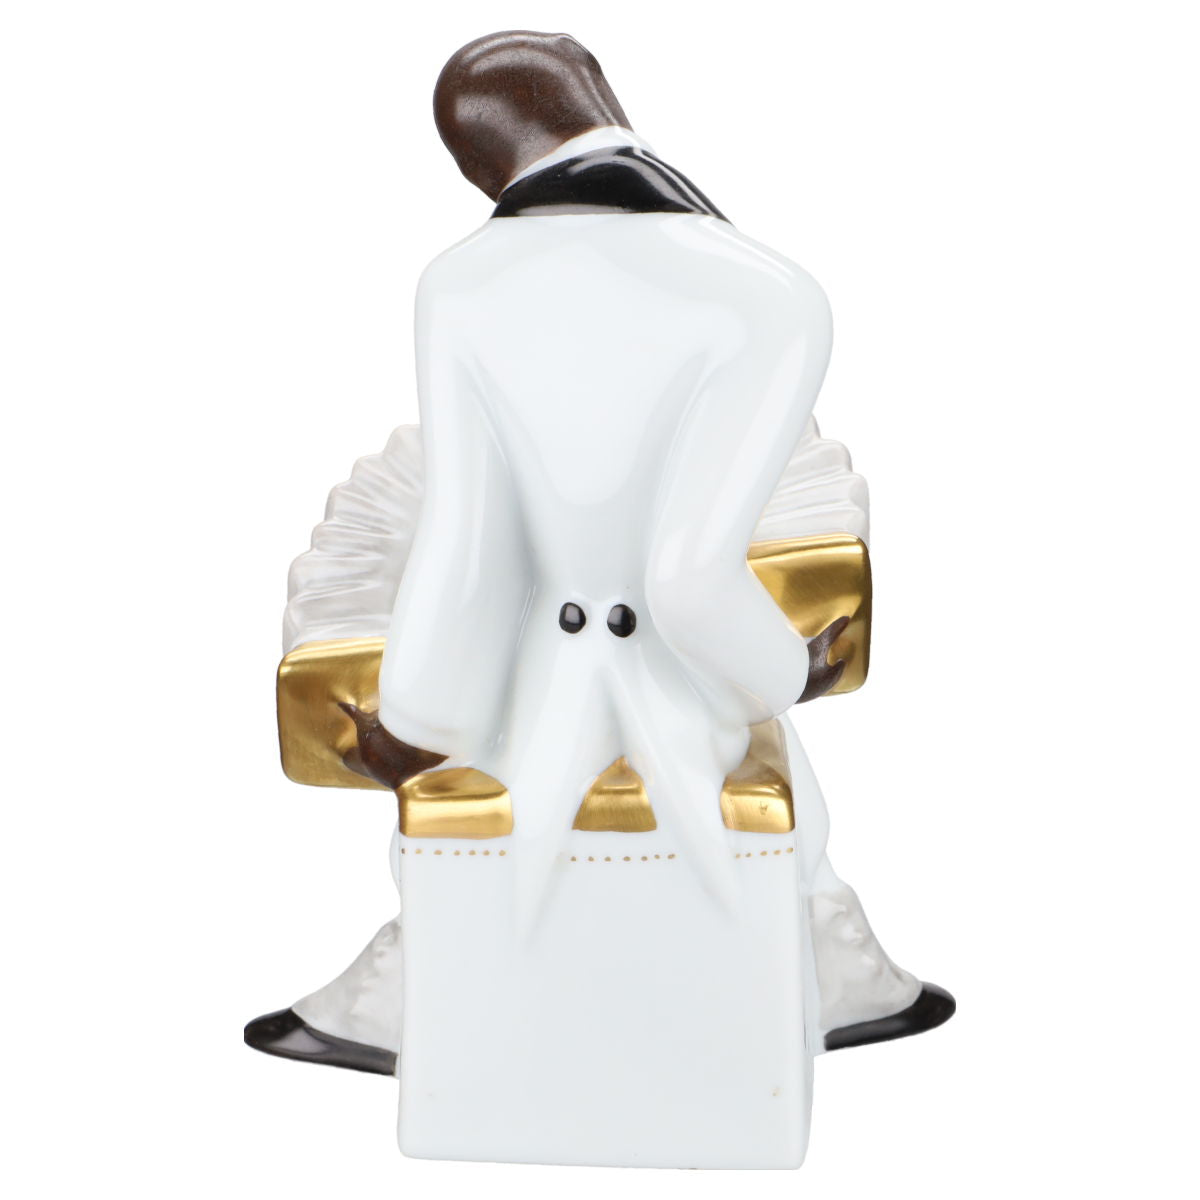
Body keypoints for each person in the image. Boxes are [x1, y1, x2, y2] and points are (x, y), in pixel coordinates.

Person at [246, 31, 953, 1167]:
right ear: (598, 96)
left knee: (469, 843)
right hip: (690, 696)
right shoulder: (772, 292)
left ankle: (459, 1059)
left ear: (479, 164)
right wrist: (786, 673)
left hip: (538, 689)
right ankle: (799, 1020)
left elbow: (470, 545)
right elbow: (687, 579)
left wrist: (419, 717)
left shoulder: (460, 284)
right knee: (783, 816)